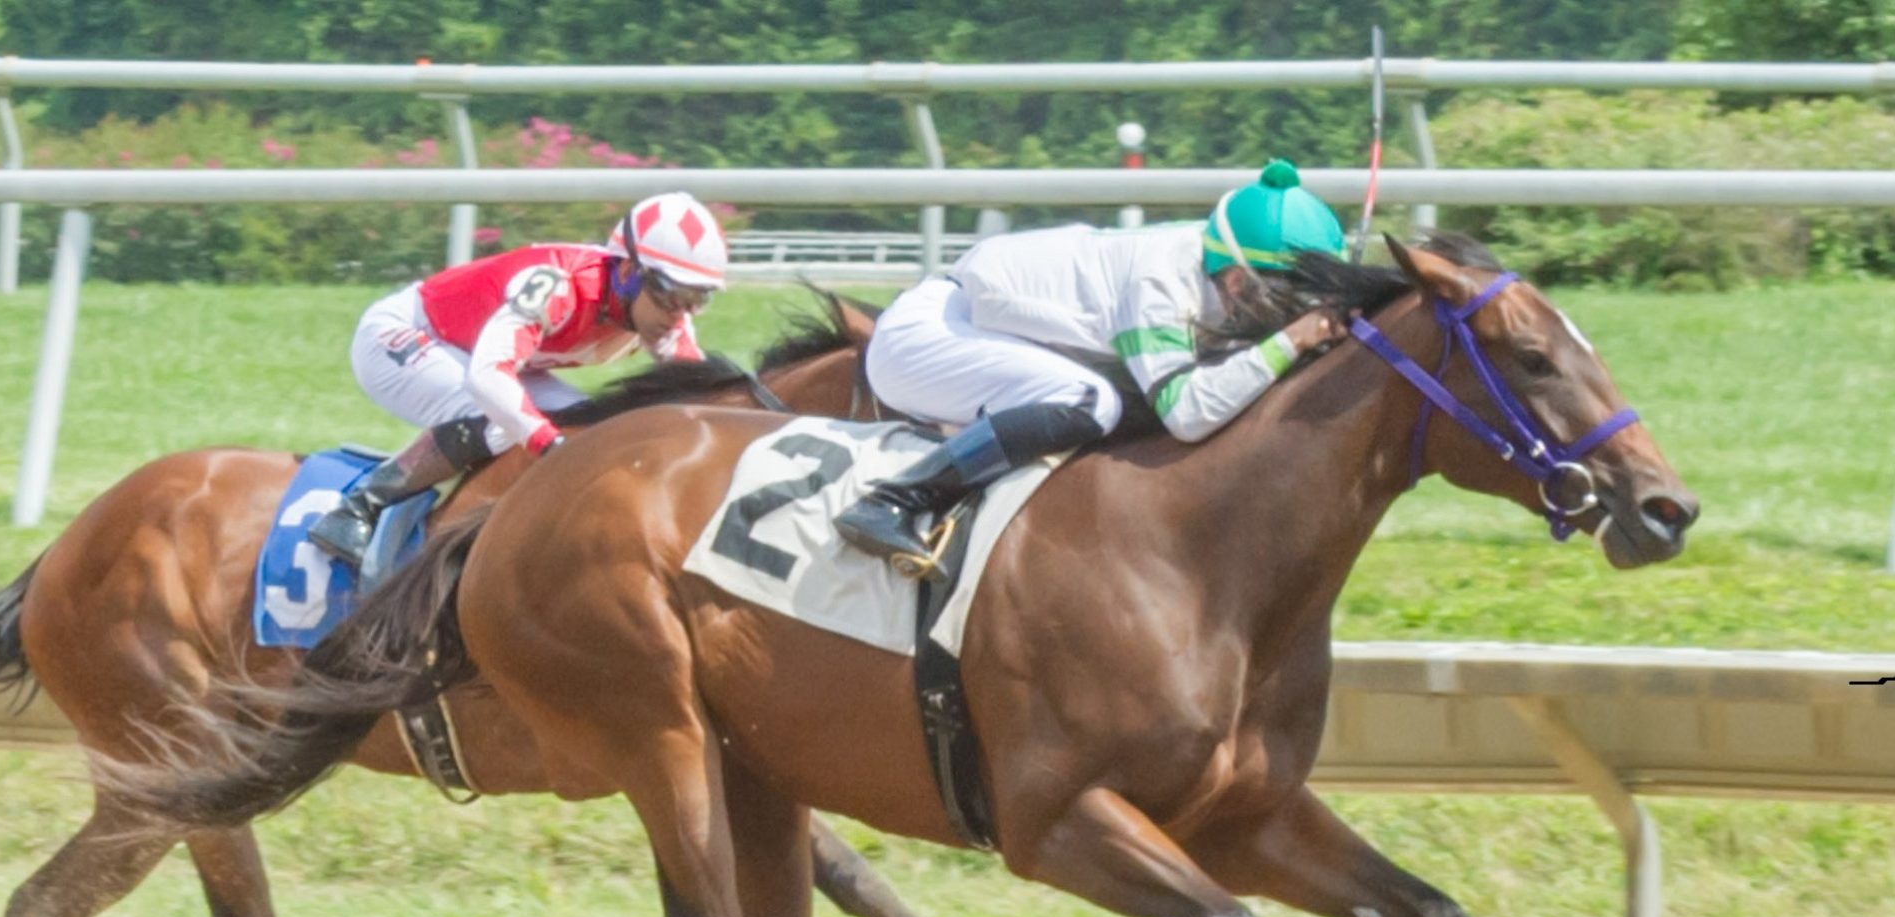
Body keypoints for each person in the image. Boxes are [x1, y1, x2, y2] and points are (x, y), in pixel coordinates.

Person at [835, 159, 1352, 578]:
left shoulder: (1216, 268)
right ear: (1238, 280)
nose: (1298, 310)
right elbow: (1188, 414)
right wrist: (1292, 339)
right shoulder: (1161, 284)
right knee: (1092, 401)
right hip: (929, 338)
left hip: (979, 326)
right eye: (1292, 297)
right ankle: (895, 500)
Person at [306, 190, 729, 567]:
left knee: (588, 425)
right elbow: (489, 379)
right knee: (502, 422)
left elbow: (693, 399)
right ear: (627, 272)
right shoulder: (558, 286)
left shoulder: (663, 317)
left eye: (697, 299)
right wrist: (549, 445)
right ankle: (358, 508)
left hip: (491, 353)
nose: (679, 313)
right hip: (403, 335)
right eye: (670, 294)